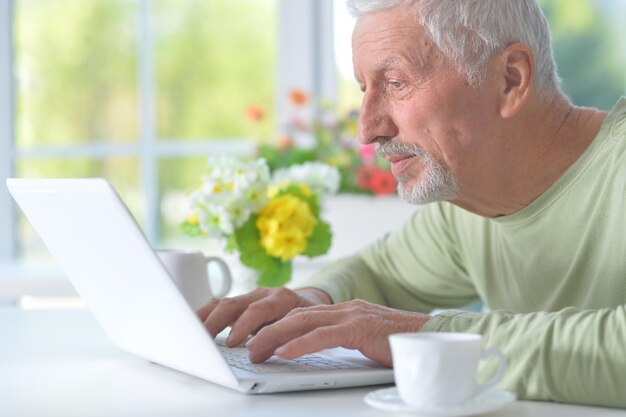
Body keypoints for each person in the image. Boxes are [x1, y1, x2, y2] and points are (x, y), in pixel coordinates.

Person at [198, 0, 626, 408]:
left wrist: (429, 337)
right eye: (365, 89)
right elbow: (377, 274)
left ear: (510, 80)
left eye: (396, 83)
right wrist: (311, 301)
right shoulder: (468, 202)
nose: (367, 130)